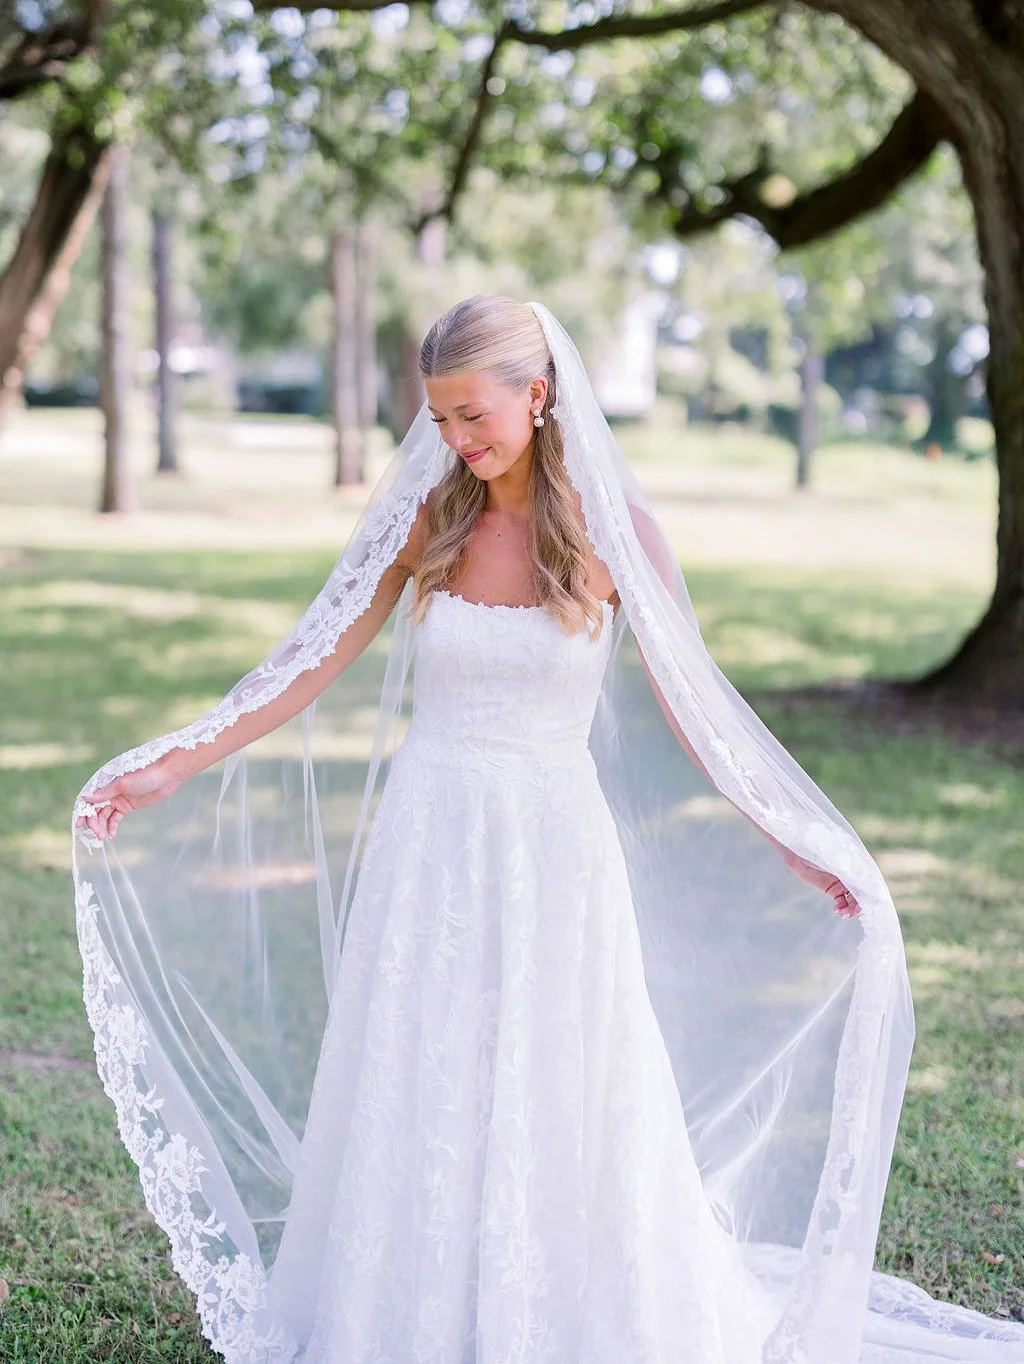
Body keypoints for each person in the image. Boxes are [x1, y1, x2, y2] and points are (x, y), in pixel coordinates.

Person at [73, 297, 1024, 1364]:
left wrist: (793, 840)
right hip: (430, 842)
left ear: (536, 395)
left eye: (472, 415)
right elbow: (307, 658)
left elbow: (699, 711)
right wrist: (172, 761)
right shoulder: (426, 523)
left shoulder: (620, 537)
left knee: (559, 1078)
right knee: (423, 1070)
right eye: (439, 419)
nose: (455, 440)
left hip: (553, 852)